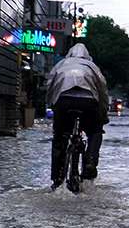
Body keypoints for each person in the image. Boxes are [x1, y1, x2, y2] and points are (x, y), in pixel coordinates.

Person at [45, 43, 110, 185]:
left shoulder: (61, 64)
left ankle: (57, 175)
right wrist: (103, 113)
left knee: (59, 137)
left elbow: (49, 86)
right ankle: (90, 161)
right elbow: (103, 90)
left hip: (63, 102)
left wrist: (52, 105)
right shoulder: (92, 67)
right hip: (88, 103)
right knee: (95, 131)